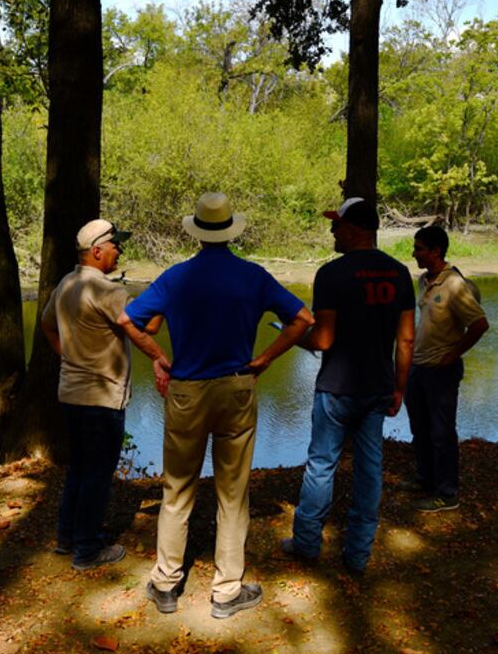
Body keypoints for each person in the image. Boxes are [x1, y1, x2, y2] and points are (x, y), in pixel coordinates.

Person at [117, 191, 312, 619]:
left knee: (177, 489)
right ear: (229, 231)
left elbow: (127, 320)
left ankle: (166, 584)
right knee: (232, 493)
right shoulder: (253, 276)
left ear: (199, 233)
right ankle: (226, 592)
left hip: (187, 390)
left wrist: (156, 355)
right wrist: (264, 359)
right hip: (237, 389)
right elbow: (303, 320)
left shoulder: (177, 278)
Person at [280, 196, 415, 574]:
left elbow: (322, 340)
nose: (332, 230)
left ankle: (307, 544)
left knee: (322, 464)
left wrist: (295, 336)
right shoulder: (399, 273)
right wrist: (399, 387)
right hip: (377, 388)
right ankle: (357, 554)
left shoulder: (331, 274)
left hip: (336, 388)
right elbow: (406, 340)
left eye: (336, 224)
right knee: (370, 468)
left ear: (354, 230)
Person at [40, 218, 136, 570]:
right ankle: (88, 550)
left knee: (79, 468)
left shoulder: (67, 283)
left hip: (71, 394)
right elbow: (144, 326)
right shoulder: (108, 291)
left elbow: (47, 325)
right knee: (97, 472)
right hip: (102, 399)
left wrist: (68, 356)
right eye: (115, 245)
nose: (120, 250)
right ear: (97, 251)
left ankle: (67, 537)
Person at [406, 224, 489, 513]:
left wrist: (454, 353)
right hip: (418, 367)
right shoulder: (422, 281)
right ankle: (425, 479)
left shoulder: (454, 284)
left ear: (435, 251)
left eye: (419, 248)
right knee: (420, 428)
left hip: (441, 371)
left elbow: (479, 325)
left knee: (442, 433)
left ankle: (447, 493)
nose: (414, 253)